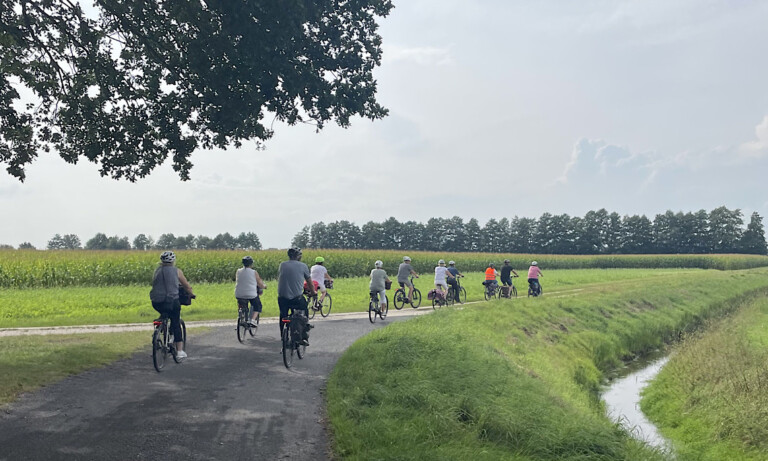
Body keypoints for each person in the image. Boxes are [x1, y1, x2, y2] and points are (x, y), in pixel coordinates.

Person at [149, 251, 194, 359]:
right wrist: (191, 293)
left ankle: (161, 330)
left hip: (156, 302)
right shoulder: (177, 271)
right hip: (172, 301)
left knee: (164, 314)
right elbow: (186, 285)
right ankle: (179, 351)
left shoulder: (157, 271)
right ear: (173, 261)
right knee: (175, 322)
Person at [277, 247, 314, 345]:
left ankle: (283, 337)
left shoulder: (282, 265)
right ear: (298, 256)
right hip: (296, 298)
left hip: (282, 298)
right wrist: (313, 293)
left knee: (283, 315)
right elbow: (309, 281)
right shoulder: (303, 266)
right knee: (304, 311)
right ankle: (304, 335)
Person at [235, 255, 267, 327]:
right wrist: (264, 286)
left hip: (239, 293)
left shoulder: (238, 271)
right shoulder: (254, 272)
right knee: (257, 306)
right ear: (251, 264)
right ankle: (252, 320)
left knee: (241, 303)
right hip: (251, 294)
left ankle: (241, 315)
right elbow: (260, 283)